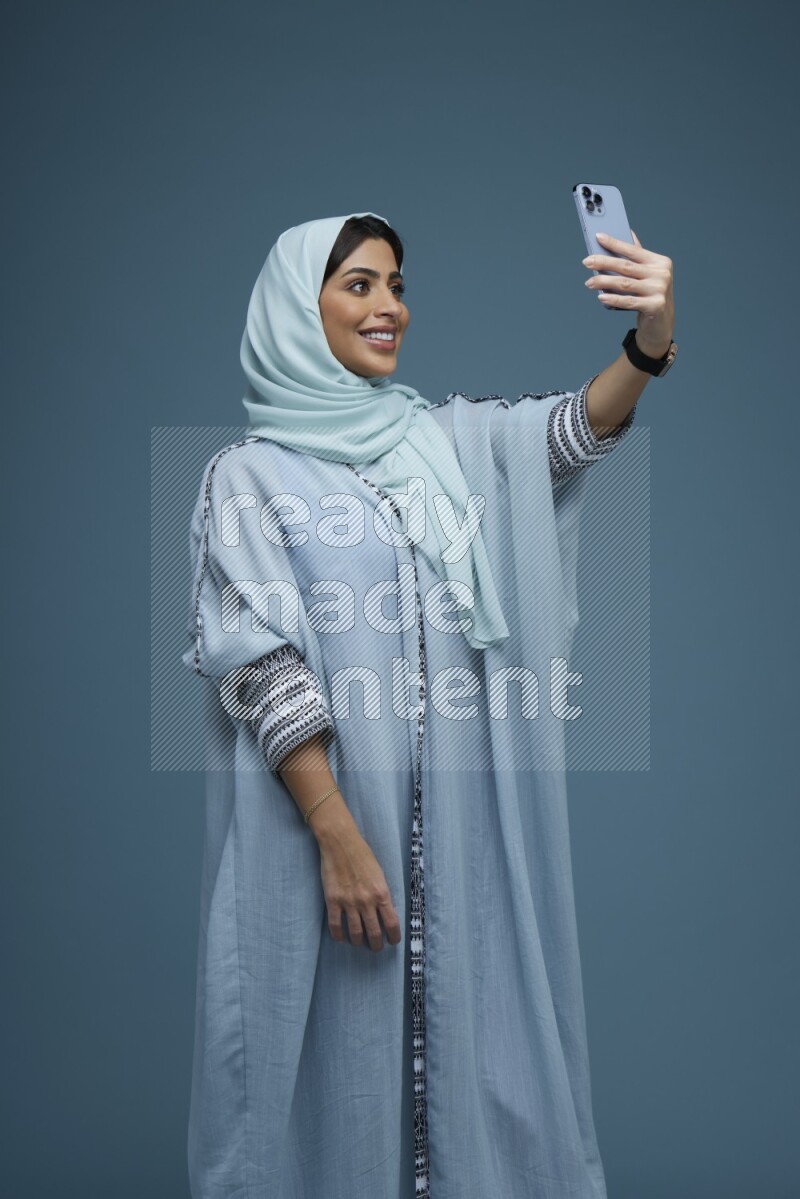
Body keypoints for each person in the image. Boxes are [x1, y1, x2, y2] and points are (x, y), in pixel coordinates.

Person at [182, 211, 676, 1198]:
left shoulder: (441, 441)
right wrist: (337, 834)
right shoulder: (249, 477)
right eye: (357, 284)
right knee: (304, 1072)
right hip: (316, 837)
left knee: (480, 1056)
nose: (388, 307)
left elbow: (575, 428)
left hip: (460, 843)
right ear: (294, 306)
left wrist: (649, 338)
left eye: (395, 285)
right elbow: (260, 665)